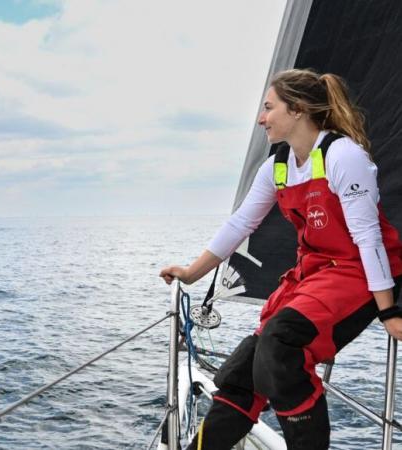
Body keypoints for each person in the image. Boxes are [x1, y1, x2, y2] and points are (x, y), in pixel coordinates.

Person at [160, 68, 402, 449]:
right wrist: (191, 273)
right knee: (245, 370)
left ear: (298, 110)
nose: (260, 118)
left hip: (358, 274)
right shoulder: (278, 165)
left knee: (280, 344)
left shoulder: (343, 155)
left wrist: (388, 311)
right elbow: (242, 221)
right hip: (315, 274)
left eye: (269, 107)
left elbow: (368, 237)